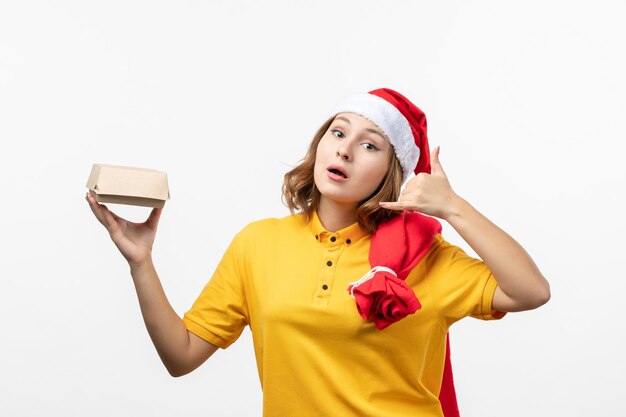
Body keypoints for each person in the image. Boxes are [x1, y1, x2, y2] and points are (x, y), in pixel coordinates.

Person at [85, 88, 550, 417]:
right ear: (320, 145)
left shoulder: (425, 259)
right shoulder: (259, 243)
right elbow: (181, 356)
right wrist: (141, 262)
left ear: (393, 172)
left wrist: (453, 207)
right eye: (338, 133)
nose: (345, 150)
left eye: (370, 145)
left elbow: (531, 291)